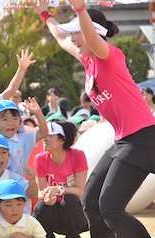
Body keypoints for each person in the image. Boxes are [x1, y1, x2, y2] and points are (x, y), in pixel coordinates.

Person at [32, 1, 155, 237]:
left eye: (77, 33)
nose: (73, 39)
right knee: (89, 201)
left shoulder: (109, 56)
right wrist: (44, 14)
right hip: (123, 140)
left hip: (143, 138)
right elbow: (60, 36)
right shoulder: (88, 62)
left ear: (93, 33)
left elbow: (92, 37)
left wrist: (80, 10)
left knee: (110, 208)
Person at [32, 120, 88, 238]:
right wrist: (47, 197)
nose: (44, 138)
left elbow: (79, 190)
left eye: (49, 135)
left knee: (70, 199)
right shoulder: (40, 159)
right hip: (54, 213)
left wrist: (59, 189)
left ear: (62, 139)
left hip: (76, 215)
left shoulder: (78, 156)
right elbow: (40, 192)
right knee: (40, 206)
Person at [0, 96, 47, 175]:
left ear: (20, 122)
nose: (10, 123)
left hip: (17, 184)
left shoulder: (25, 139)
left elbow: (43, 132)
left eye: (14, 118)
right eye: (5, 119)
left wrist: (38, 113)